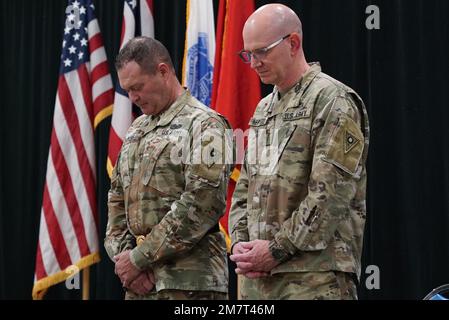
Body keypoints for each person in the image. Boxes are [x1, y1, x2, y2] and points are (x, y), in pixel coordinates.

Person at [229, 4, 370, 300]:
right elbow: (245, 185)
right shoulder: (264, 109)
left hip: (313, 279)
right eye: (248, 54)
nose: (254, 62)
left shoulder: (334, 101)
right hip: (257, 281)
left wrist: (276, 249)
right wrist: (240, 246)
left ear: (293, 43)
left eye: (262, 51)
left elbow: (330, 195)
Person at [104, 36, 232, 300]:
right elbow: (117, 199)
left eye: (137, 87)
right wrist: (126, 264)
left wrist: (139, 258)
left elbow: (201, 204)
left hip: (189, 286)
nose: (133, 97)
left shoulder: (206, 125)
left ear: (163, 71)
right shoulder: (136, 130)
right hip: (139, 286)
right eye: (127, 90)